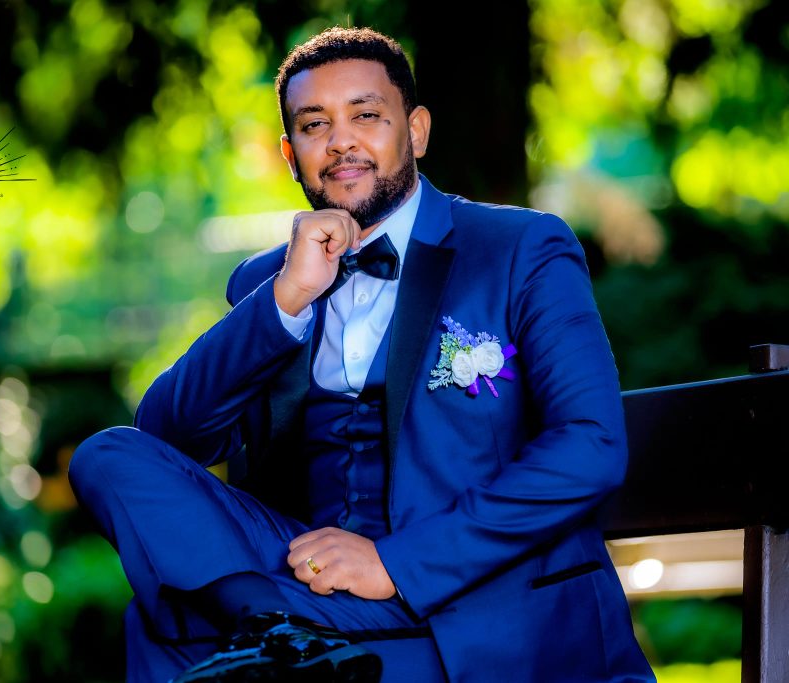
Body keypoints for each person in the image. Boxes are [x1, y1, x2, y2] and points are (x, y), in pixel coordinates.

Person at [69, 26, 656, 683]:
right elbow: (168, 438)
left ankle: (278, 650)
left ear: (417, 131)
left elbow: (591, 443)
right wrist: (286, 299)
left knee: (165, 627)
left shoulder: (519, 246)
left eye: (366, 115)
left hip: (467, 606)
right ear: (290, 155)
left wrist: (395, 564)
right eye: (314, 125)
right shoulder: (268, 281)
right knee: (107, 455)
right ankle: (278, 635)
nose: (341, 141)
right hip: (313, 591)